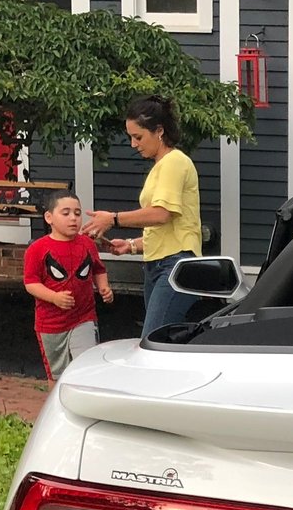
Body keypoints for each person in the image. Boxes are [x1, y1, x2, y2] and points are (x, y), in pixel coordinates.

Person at [85, 95, 203, 337]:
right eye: (131, 137)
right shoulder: (161, 166)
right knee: (161, 342)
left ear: (159, 131)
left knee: (152, 341)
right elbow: (167, 229)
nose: (133, 144)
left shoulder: (174, 162)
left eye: (138, 137)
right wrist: (131, 246)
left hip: (175, 265)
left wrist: (112, 219)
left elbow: (161, 214)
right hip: (159, 264)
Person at [23, 193, 113, 381]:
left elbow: (98, 269)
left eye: (77, 213)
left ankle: (83, 397)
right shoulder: (37, 249)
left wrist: (103, 287)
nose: (73, 218)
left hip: (83, 317)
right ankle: (57, 400)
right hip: (51, 324)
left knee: (85, 367)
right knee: (57, 375)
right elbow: (31, 283)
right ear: (49, 218)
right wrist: (54, 297)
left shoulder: (87, 244)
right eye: (66, 213)